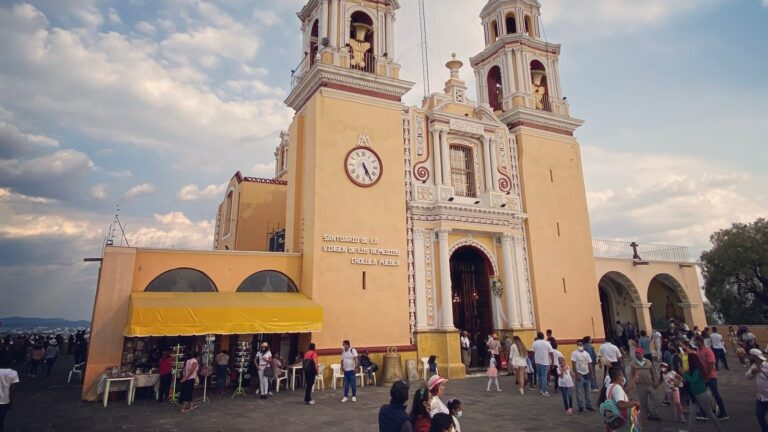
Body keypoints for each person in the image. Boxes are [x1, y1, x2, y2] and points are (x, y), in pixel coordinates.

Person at [684, 354, 723, 431]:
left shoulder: (697, 370)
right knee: (692, 413)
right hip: (695, 393)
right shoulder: (693, 369)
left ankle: (720, 429)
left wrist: (685, 375)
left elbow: (693, 380)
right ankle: (689, 430)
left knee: (709, 413)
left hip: (701, 393)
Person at [695, 334, 729, 420]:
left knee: (715, 394)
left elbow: (711, 364)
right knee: (701, 394)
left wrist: (706, 376)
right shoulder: (698, 351)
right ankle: (704, 412)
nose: (695, 343)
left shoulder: (707, 351)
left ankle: (723, 412)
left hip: (710, 376)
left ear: (700, 341)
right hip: (703, 376)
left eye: (696, 341)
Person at [626, 347, 661, 422]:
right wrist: (632, 385)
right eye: (636, 353)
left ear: (642, 354)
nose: (637, 355)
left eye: (639, 353)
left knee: (654, 400)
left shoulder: (648, 362)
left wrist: (656, 381)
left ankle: (655, 414)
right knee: (643, 401)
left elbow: (653, 372)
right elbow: (631, 375)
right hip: (640, 385)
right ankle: (648, 414)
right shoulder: (633, 364)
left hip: (650, 384)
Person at [603, 366, 640, 432]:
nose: (623, 377)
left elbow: (624, 391)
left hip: (612, 417)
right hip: (619, 418)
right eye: (622, 375)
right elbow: (620, 405)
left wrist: (634, 380)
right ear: (618, 377)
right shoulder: (617, 388)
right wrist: (634, 403)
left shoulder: (611, 385)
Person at [746, 348, 768, 432]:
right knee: (759, 415)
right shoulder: (754, 366)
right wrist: (753, 372)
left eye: (751, 356)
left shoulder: (767, 365)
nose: (749, 358)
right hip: (761, 397)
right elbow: (747, 376)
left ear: (755, 357)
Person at [571, 340, 594, 413]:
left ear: (583, 345)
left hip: (587, 374)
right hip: (579, 374)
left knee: (588, 391)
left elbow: (590, 363)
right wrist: (576, 374)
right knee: (579, 392)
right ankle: (581, 406)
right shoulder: (574, 353)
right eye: (578, 345)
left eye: (581, 344)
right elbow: (573, 364)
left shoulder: (586, 354)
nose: (579, 346)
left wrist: (591, 373)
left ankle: (589, 406)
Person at [532, 331, 554, 396]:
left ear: (538, 336)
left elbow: (532, 352)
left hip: (537, 362)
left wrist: (533, 360)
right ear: (543, 336)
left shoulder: (535, 343)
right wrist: (552, 361)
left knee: (539, 376)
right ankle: (544, 391)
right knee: (544, 376)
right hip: (545, 362)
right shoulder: (547, 343)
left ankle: (541, 389)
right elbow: (551, 353)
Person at [0, 355, 19, 432]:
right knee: (1, 420)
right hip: (4, 400)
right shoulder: (13, 373)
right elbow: (12, 389)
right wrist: (11, 402)